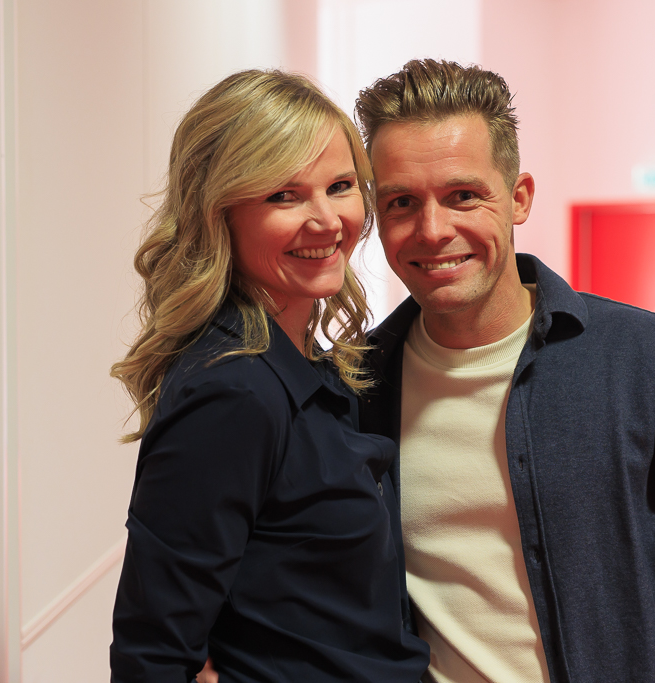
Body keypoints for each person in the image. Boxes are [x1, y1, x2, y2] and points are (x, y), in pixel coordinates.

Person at [352, 59, 655, 683]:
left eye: (463, 196)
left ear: (519, 198)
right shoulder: (355, 387)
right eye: (402, 202)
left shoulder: (648, 360)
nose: (433, 230)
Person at [109, 69, 429, 682]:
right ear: (218, 213)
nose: (327, 220)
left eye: (340, 186)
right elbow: (153, 655)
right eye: (284, 195)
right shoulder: (233, 389)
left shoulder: (306, 364)